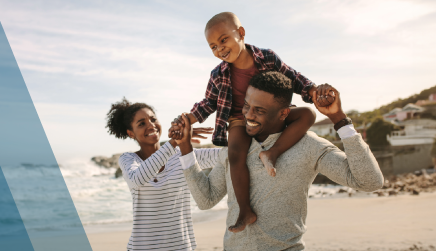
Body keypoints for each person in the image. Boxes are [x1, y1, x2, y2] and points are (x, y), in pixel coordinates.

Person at [177, 71, 384, 250]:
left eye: (259, 110)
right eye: (247, 106)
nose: (248, 115)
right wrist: (185, 147)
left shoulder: (308, 146)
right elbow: (206, 200)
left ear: (284, 113)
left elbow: (370, 181)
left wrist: (339, 119)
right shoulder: (235, 149)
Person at [173, 12, 330, 233]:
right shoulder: (218, 74)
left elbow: (293, 77)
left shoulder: (267, 58)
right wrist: (188, 118)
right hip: (240, 118)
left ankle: (272, 153)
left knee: (308, 115)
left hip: (271, 114)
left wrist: (313, 91)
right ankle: (245, 211)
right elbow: (209, 102)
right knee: (235, 154)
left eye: (223, 40)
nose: (220, 49)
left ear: (241, 33)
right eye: (213, 47)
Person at [105, 98, 219, 251]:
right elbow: (137, 178)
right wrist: (174, 142)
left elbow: (226, 156)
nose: (151, 125)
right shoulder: (128, 159)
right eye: (142, 123)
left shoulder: (183, 155)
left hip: (181, 247)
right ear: (131, 133)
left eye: (153, 119)